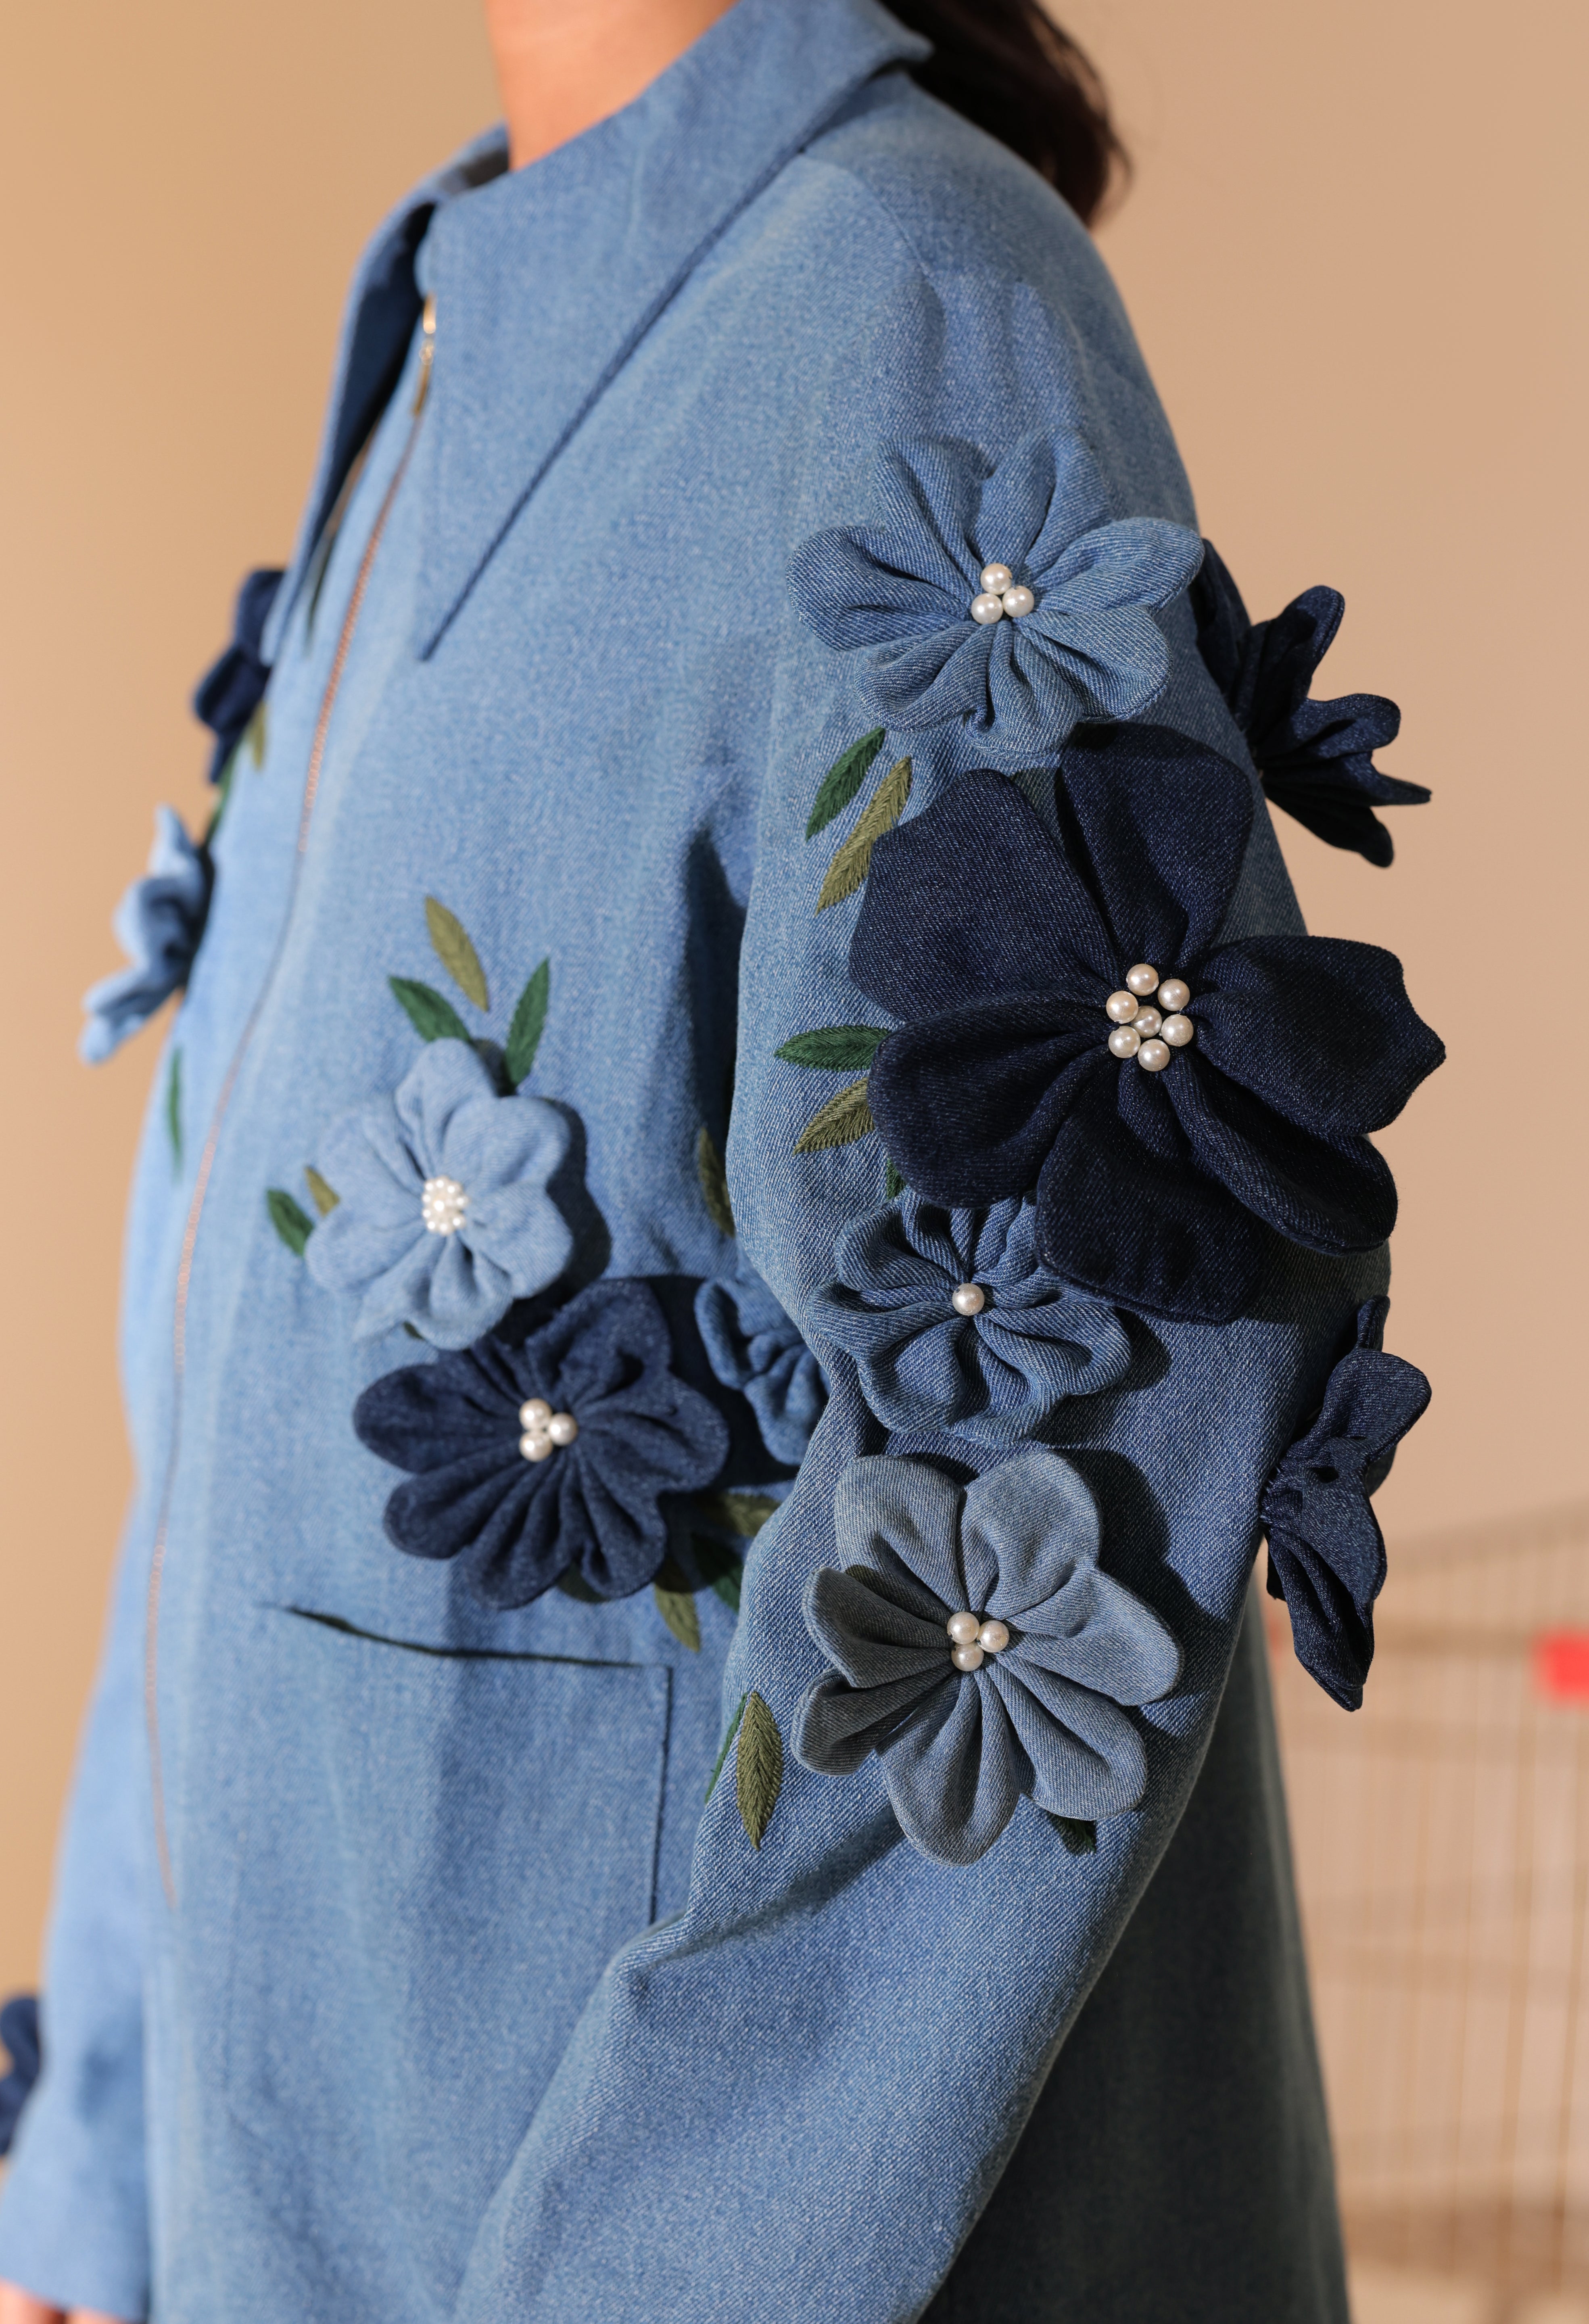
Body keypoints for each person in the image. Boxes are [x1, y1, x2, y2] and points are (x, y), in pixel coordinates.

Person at [0, 0, 1443, 2316]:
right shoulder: (461, 315)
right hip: (306, 2205)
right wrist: (94, 2170)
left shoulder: (904, 297)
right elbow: (235, 1395)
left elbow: (1111, 1361)